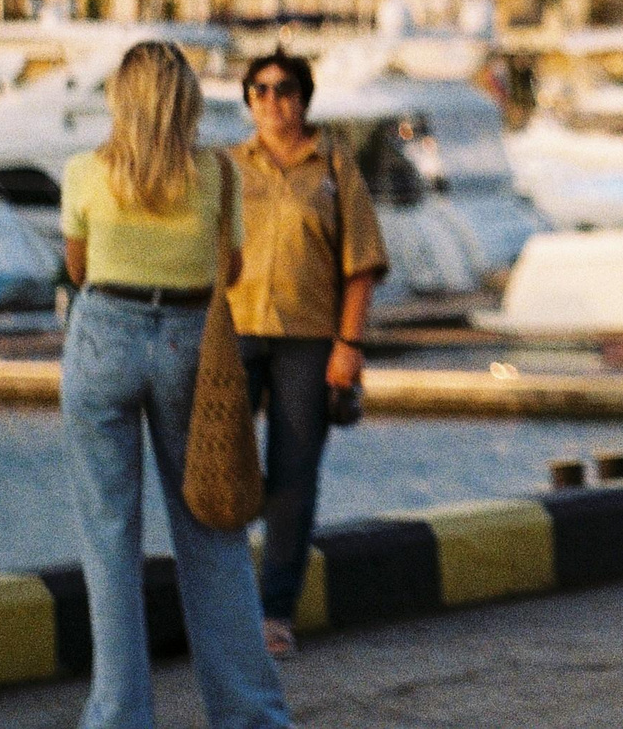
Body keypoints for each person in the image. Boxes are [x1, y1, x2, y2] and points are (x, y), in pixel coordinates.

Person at [60, 40, 290, 729]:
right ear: (186, 101)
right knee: (212, 533)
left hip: (102, 336)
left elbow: (79, 268)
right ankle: (250, 716)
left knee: (108, 539)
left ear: (120, 102)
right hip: (191, 346)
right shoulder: (217, 175)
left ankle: (118, 718)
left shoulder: (84, 174)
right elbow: (237, 268)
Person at [227, 49, 389, 658]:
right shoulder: (228, 166)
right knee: (225, 473)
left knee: (293, 477)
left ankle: (274, 613)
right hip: (236, 332)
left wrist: (349, 345)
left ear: (305, 97)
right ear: (247, 99)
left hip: (308, 337)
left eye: (285, 89)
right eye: (261, 90)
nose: (273, 101)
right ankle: (223, 605)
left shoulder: (334, 166)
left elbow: (362, 264)